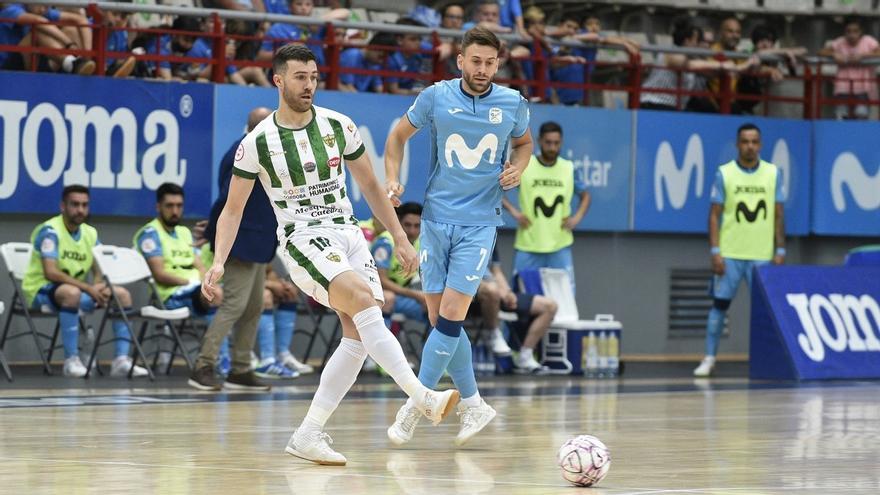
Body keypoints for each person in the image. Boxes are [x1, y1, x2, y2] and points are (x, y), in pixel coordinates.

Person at [202, 43, 459, 465]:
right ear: (278, 80)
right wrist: (217, 261)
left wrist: (398, 236)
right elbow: (231, 211)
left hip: (348, 233)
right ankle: (420, 397)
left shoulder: (339, 126)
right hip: (303, 239)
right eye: (300, 77)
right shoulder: (257, 144)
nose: (309, 85)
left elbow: (373, 188)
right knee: (361, 300)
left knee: (358, 334)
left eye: (314, 76)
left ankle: (308, 433)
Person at [383, 26, 532, 446]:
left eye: (490, 63)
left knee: (450, 317)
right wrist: (393, 179)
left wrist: (518, 168)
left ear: (498, 64)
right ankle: (473, 403)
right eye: (476, 61)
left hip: (479, 224)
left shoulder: (513, 103)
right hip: (434, 221)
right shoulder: (435, 97)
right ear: (461, 61)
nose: (483, 70)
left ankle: (414, 405)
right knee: (439, 322)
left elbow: (524, 145)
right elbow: (397, 137)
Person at [186, 107, 278, 391]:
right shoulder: (242, 151)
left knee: (253, 307)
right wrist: (215, 233)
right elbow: (228, 201)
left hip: (261, 242)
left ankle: (240, 369)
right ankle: (203, 364)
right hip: (240, 242)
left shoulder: (268, 152)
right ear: (258, 127)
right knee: (233, 306)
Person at [21, 185, 147, 378]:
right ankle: (71, 360)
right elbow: (51, 272)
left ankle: (121, 361)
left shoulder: (90, 233)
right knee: (72, 294)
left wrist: (97, 284)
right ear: (63, 206)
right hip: (42, 291)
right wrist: (89, 288)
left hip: (77, 291)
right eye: (75, 205)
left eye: (84, 205)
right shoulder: (50, 231)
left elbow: (100, 266)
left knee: (122, 295)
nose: (80, 210)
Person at [694, 123, 785, 377]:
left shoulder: (772, 173)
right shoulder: (725, 173)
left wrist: (780, 250)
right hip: (731, 253)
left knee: (766, 311)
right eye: (745, 141)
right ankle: (709, 358)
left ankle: (771, 360)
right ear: (737, 145)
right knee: (719, 305)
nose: (750, 146)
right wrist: (715, 250)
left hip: (762, 254)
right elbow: (714, 216)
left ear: (761, 145)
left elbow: (778, 214)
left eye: (755, 142)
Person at [502, 121, 588, 295]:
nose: (552, 147)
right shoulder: (526, 165)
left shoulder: (568, 168)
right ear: (539, 141)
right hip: (529, 243)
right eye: (548, 143)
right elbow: (499, 188)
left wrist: (577, 218)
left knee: (566, 299)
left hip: (560, 244)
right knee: (518, 299)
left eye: (556, 143)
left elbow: (585, 195)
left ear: (561, 142)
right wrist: (515, 213)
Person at [475, 248, 556, 373]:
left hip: (496, 290)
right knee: (492, 291)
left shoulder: (491, 232)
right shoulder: (460, 231)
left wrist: (507, 292)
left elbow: (496, 270)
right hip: (472, 292)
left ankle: (525, 356)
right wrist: (494, 288)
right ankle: (493, 333)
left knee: (549, 306)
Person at [372, 202, 428, 327]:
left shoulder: (422, 243)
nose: (412, 231)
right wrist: (416, 295)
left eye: (417, 226)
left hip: (404, 296)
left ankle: (437, 347)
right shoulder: (385, 243)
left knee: (437, 306)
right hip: (379, 295)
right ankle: (381, 346)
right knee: (388, 298)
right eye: (407, 225)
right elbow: (382, 281)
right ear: (398, 223)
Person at [818, 17, 880, 120]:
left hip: (863, 87)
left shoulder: (868, 41)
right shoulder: (840, 42)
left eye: (855, 31)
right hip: (843, 86)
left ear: (861, 32)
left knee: (861, 113)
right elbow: (821, 52)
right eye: (848, 31)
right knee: (841, 114)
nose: (852, 35)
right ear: (844, 32)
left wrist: (863, 55)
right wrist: (834, 54)